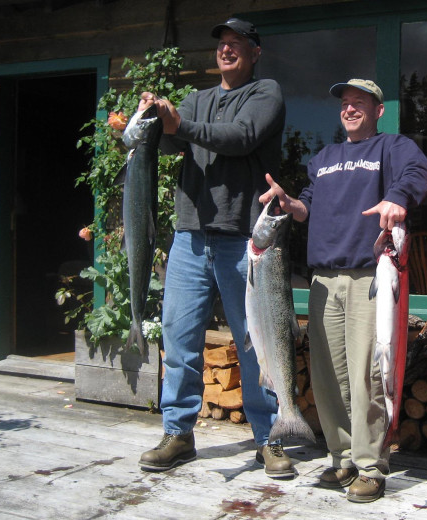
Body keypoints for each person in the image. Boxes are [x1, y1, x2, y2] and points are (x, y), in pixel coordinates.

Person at [259, 79, 427, 503]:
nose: (350, 109)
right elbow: (307, 207)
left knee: (367, 375)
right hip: (321, 280)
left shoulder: (392, 147)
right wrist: (287, 204)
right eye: (345, 103)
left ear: (378, 111)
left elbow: (419, 174)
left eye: (360, 103)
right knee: (328, 374)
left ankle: (372, 465)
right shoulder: (324, 158)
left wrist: (397, 198)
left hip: (369, 277)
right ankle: (342, 458)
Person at [137, 17, 295, 479]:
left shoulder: (266, 94)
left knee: (254, 344)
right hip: (190, 237)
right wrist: (154, 116)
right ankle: (178, 433)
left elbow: (241, 137)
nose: (226, 50)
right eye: (222, 45)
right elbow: (167, 146)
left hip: (246, 242)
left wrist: (180, 123)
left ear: (255, 52)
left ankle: (271, 438)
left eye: (236, 44)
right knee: (179, 339)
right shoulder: (196, 99)